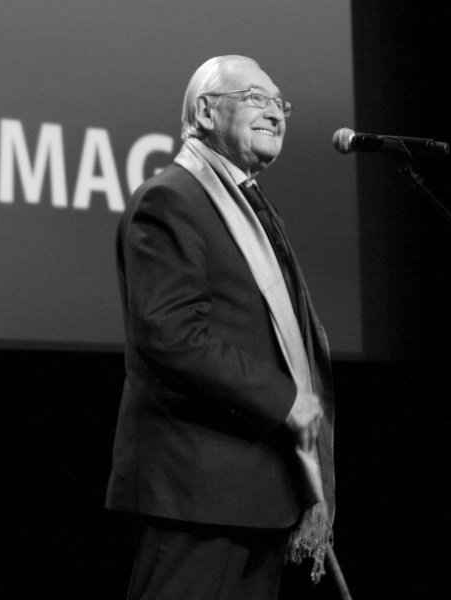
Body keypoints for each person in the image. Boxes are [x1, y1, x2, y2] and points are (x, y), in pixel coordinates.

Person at [105, 55, 335, 600]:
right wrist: (287, 399)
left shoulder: (253, 210)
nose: (276, 114)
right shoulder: (172, 199)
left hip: (262, 493)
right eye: (257, 98)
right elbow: (170, 334)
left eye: (281, 104)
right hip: (197, 490)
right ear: (206, 111)